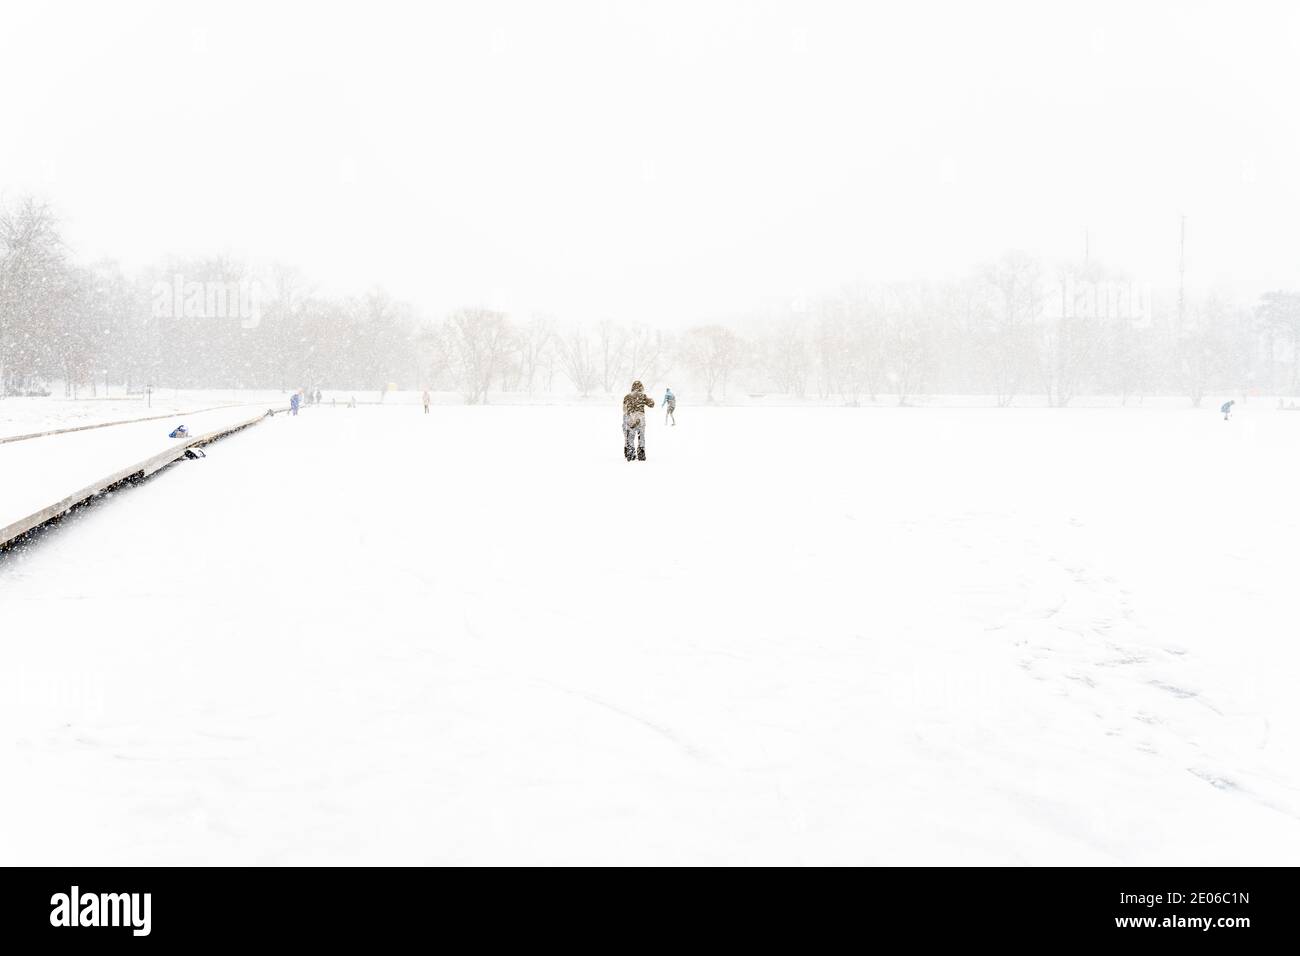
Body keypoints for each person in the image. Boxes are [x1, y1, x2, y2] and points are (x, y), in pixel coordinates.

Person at [622, 380, 655, 461]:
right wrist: (651, 400)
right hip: (640, 418)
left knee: (630, 436)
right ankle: (641, 453)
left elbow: (624, 409)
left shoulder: (627, 397)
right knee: (641, 436)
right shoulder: (643, 396)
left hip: (630, 417)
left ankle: (630, 452)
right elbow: (651, 404)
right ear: (641, 387)